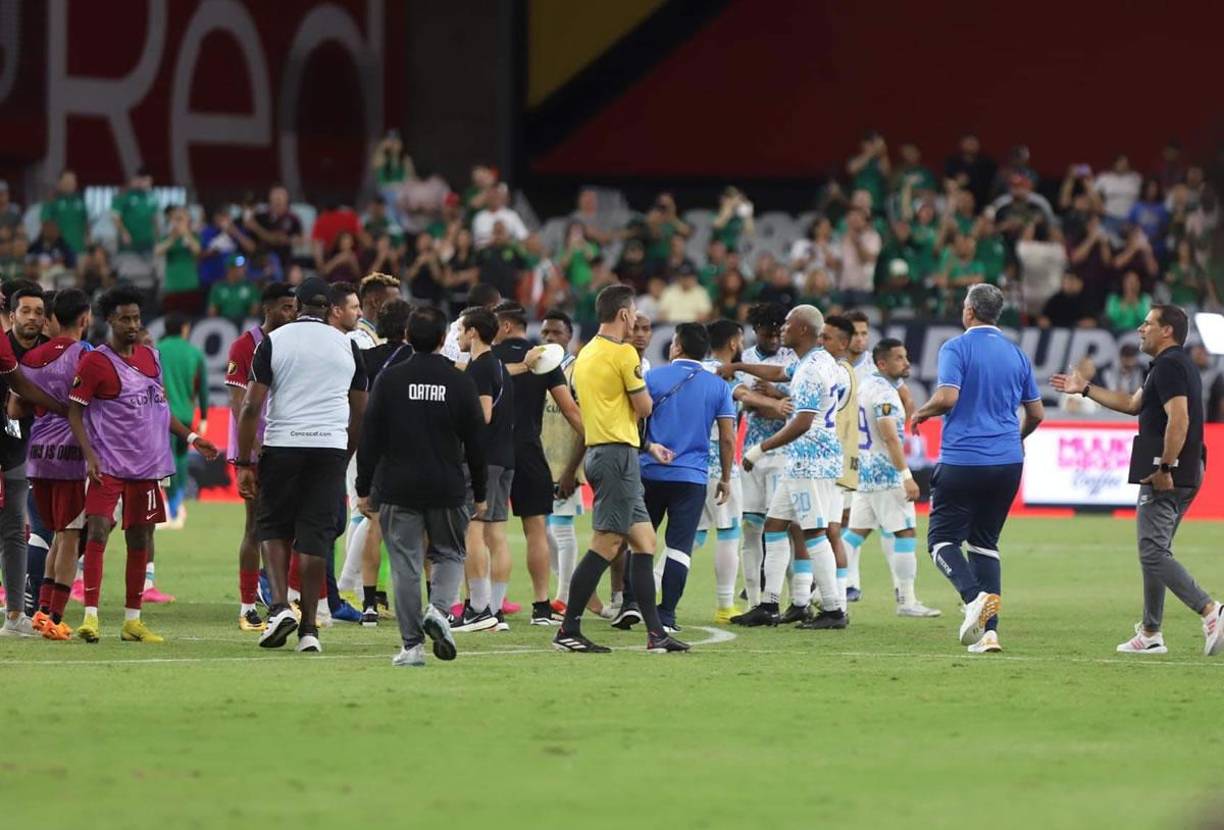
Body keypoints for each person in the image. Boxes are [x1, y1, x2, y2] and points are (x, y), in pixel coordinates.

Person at [1052, 306, 1222, 656]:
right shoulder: (1168, 366)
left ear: (1167, 332)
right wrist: (1084, 389)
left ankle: (1210, 611)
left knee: (1152, 551)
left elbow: (1180, 420)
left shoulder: (1171, 365)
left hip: (1169, 470)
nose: (1141, 329)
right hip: (1186, 468)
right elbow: (1131, 404)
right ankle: (1150, 632)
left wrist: (1165, 468)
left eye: (1148, 323)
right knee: (1156, 552)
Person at [67, 286, 219, 644]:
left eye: (137, 318)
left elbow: (161, 409)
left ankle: (132, 621)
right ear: (110, 321)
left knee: (140, 538)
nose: (133, 325)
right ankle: (90, 616)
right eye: (125, 319)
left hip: (148, 467)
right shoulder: (95, 362)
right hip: (108, 465)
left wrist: (193, 438)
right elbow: (75, 410)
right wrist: (89, 455)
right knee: (98, 530)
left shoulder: (152, 358)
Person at [235, 278, 367, 654]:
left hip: (283, 444)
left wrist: (245, 462)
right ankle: (309, 629)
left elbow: (250, 407)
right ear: (328, 309)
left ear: (299, 305)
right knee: (315, 540)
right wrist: (344, 451)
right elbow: (360, 410)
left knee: (273, 528)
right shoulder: (349, 345)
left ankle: (279, 607)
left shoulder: (274, 342)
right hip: (328, 448)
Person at [911, 284, 1044, 654]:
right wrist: (1015, 438)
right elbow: (1036, 413)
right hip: (1007, 462)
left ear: (969, 311)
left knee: (940, 541)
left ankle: (973, 598)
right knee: (985, 544)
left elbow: (948, 396)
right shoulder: (1017, 355)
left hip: (963, 459)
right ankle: (989, 634)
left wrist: (923, 411)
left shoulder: (956, 347)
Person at [552, 284, 685, 653]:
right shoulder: (624, 354)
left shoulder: (585, 355)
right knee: (607, 542)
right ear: (625, 314)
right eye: (634, 315)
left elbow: (601, 410)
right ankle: (568, 629)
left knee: (644, 541)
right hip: (616, 458)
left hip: (602, 450)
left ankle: (656, 634)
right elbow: (643, 408)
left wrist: (645, 444)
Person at [356, 306, 486, 667]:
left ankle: (412, 647)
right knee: (449, 553)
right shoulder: (460, 382)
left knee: (406, 566)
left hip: (398, 486)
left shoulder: (390, 380)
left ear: (408, 337)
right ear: (444, 340)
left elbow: (371, 438)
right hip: (447, 484)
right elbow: (476, 442)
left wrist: (363, 486)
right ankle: (440, 610)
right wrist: (482, 491)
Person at [736, 305, 847, 630]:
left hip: (809, 459)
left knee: (813, 532)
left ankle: (833, 609)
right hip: (806, 459)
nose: (782, 327)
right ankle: (769, 604)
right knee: (774, 525)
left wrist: (761, 448)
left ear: (802, 330)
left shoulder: (811, 371)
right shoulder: (816, 362)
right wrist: (739, 365)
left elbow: (802, 421)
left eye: (787, 323)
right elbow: (778, 374)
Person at [691, 319, 791, 624]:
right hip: (720, 467)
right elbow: (744, 397)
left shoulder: (695, 370)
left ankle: (646, 591)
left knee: (689, 538)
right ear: (734, 343)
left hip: (688, 465)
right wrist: (780, 406)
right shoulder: (725, 374)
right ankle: (725, 605)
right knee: (729, 533)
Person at [491, 301, 583, 626]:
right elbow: (570, 409)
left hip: (493, 452)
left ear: (503, 326)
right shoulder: (543, 358)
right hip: (530, 450)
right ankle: (542, 607)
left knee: (494, 531)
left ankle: (491, 609)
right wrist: (596, 438)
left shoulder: (488, 358)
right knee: (537, 532)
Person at [637, 323, 732, 632]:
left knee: (640, 543)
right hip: (692, 477)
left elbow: (635, 420)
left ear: (675, 346)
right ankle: (666, 614)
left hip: (649, 471)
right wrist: (726, 478)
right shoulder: (718, 386)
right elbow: (728, 438)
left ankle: (633, 605)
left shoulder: (652, 378)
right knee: (679, 546)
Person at [844, 338, 941, 618]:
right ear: (882, 363)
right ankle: (906, 600)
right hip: (887, 474)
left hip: (866, 471)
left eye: (906, 355)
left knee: (855, 534)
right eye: (899, 358)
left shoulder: (866, 387)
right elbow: (889, 437)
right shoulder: (885, 395)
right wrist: (906, 476)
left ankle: (823, 589)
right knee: (905, 533)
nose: (906, 362)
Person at [224, 283, 297, 631]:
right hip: (256, 450)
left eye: (294, 307)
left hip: (287, 445)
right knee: (255, 527)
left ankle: (280, 599)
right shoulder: (245, 345)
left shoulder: (293, 343)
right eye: (285, 307)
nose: (291, 314)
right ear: (267, 309)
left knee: (289, 528)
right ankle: (247, 605)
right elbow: (239, 402)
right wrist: (250, 449)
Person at [22, 290, 92, 640]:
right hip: (72, 455)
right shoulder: (88, 355)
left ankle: (41, 613)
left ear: (51, 318)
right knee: (69, 536)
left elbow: (16, 409)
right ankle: (55, 617)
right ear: (85, 318)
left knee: (54, 536)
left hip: (37, 456)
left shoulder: (32, 357)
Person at [341, 297, 414, 624]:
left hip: (362, 440)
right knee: (415, 526)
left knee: (368, 516)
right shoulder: (416, 358)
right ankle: (349, 585)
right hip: (405, 447)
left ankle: (368, 599)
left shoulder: (364, 358)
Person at [451, 307, 515, 632]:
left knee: (471, 530)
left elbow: (483, 414)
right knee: (495, 532)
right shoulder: (497, 365)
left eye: (462, 330)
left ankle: (477, 608)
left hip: (482, 459)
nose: (459, 336)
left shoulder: (481, 368)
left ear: (473, 332)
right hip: (504, 458)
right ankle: (494, 610)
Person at [735, 302, 795, 613]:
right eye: (767, 331)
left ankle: (789, 595)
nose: (774, 336)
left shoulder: (792, 359)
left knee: (779, 526)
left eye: (777, 331)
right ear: (756, 330)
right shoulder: (746, 359)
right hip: (752, 452)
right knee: (751, 527)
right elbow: (747, 404)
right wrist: (777, 402)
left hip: (783, 451)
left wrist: (773, 394)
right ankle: (755, 600)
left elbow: (799, 406)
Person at [0, 284, 48, 637]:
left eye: (38, 312)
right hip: (10, 443)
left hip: (22, 451)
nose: (32, 317)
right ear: (11, 315)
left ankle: (15, 615)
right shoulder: (5, 346)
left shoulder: (50, 353)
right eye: (25, 310)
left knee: (15, 528)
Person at [157, 313, 209, 534]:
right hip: (186, 416)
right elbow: (202, 387)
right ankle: (177, 507)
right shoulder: (194, 353)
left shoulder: (156, 350)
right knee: (181, 459)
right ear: (184, 328)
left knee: (165, 464)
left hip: (162, 416)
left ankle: (168, 508)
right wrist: (204, 416)